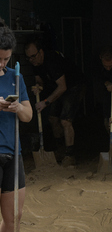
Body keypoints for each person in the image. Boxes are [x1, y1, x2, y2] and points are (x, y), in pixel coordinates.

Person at [24, 38, 86, 166]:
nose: (32, 60)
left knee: (65, 120)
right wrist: (38, 86)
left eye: (34, 56)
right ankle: (60, 149)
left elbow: (62, 87)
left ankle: (70, 155)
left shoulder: (52, 61)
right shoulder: (34, 63)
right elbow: (39, 80)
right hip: (57, 88)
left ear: (40, 52)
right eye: (29, 58)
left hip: (74, 86)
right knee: (53, 118)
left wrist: (45, 102)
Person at [0, 23, 33, 230]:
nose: (1, 63)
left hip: (13, 154)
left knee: (14, 217)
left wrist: (17, 106)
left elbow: (28, 115)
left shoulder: (15, 77)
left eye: (6, 59)